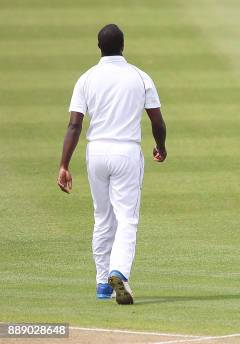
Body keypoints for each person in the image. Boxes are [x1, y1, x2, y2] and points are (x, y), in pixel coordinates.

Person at [57, 24, 167, 304]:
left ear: (98, 46)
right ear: (123, 45)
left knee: (102, 218)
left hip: (96, 152)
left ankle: (102, 284)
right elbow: (157, 120)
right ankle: (119, 272)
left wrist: (63, 165)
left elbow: (74, 125)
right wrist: (161, 147)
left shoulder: (86, 78)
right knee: (127, 218)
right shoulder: (139, 77)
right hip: (126, 152)